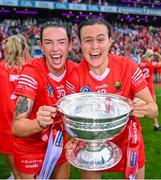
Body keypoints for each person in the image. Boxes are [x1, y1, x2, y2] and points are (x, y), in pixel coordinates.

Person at [65, 18, 158, 179]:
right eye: (88, 40)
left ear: (110, 41)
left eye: (100, 39)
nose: (95, 46)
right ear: (79, 43)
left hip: (129, 143)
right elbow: (72, 118)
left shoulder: (127, 67)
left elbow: (153, 109)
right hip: (91, 145)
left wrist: (141, 108)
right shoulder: (74, 76)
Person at [12, 18, 77, 179]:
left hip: (60, 143)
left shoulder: (77, 70)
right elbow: (17, 127)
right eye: (48, 42)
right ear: (41, 46)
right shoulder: (31, 72)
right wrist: (38, 123)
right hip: (31, 148)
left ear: (70, 45)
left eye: (61, 42)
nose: (55, 49)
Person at [0, 34, 31, 179]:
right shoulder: (33, 67)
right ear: (24, 48)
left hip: (6, 125)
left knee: (17, 172)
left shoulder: (1, 69)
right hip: (28, 124)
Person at [139, 49, 161, 131]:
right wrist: (158, 55)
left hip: (141, 87)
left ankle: (138, 127)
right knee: (154, 107)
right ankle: (156, 125)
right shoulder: (151, 64)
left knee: (139, 107)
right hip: (149, 87)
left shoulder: (140, 64)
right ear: (150, 56)